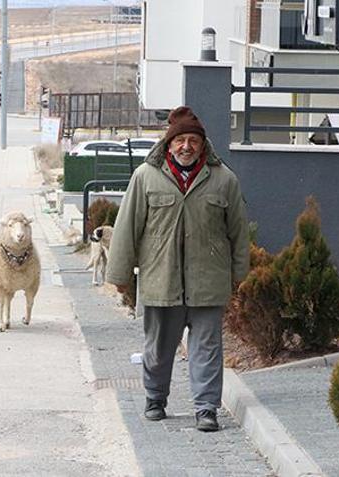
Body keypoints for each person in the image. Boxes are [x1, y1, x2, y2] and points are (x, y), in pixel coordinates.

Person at [106, 106, 249, 432]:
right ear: (168, 145)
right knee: (158, 348)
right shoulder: (145, 177)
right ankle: (155, 398)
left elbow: (238, 232)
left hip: (207, 282)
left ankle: (206, 408)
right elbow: (126, 228)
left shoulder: (224, 180)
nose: (186, 146)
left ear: (203, 144)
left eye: (193, 141)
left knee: (207, 349)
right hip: (161, 280)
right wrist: (120, 276)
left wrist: (240, 273)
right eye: (180, 140)